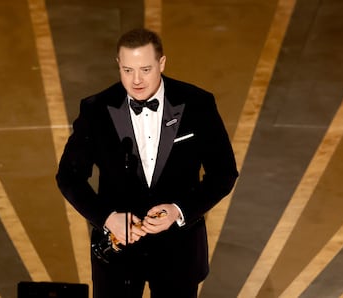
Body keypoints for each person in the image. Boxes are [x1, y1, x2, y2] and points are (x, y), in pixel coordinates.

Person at [56, 28, 238, 298]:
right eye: (127, 70)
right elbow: (69, 177)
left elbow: (223, 173)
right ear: (118, 64)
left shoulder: (198, 104)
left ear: (162, 63)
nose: (136, 80)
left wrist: (178, 211)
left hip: (179, 254)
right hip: (118, 255)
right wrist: (107, 219)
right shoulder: (96, 110)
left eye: (145, 69)